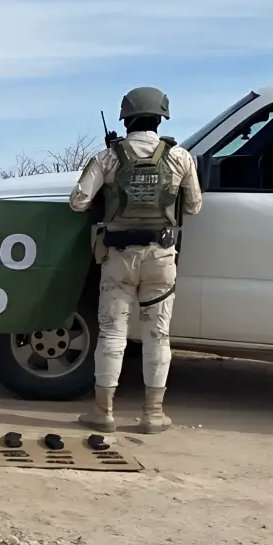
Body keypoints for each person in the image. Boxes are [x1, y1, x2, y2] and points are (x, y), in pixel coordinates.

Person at [68, 86, 202, 434]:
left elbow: (78, 201)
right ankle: (153, 414)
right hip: (161, 254)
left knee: (113, 333)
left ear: (125, 119)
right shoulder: (181, 157)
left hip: (118, 256)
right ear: (161, 117)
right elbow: (193, 207)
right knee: (158, 335)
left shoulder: (108, 157)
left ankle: (103, 411)